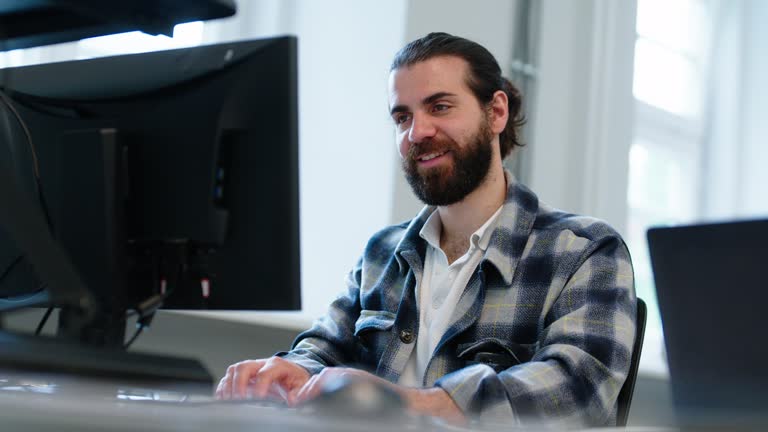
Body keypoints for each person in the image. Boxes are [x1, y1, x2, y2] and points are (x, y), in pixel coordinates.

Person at [215, 32, 636, 427]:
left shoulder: (584, 251)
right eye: (402, 117)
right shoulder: (383, 252)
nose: (418, 133)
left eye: (440, 107)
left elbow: (580, 391)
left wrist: (404, 404)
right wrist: (290, 371)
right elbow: (324, 348)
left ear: (496, 112)